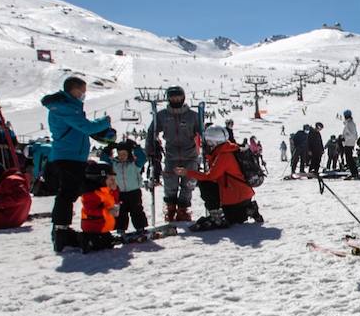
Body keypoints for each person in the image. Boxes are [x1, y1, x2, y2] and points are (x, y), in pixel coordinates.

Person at [42, 76, 114, 253]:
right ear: (73, 90)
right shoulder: (63, 107)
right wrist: (105, 122)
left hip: (74, 156)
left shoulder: (69, 107)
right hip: (68, 157)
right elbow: (86, 127)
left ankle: (64, 229)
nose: (83, 95)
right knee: (67, 193)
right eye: (81, 92)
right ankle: (61, 231)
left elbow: (81, 129)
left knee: (74, 191)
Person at [176, 125, 263, 230]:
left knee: (206, 184)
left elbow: (210, 177)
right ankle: (248, 209)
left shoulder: (224, 155)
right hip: (242, 194)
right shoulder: (230, 148)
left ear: (213, 141)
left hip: (235, 196)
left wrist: (187, 172)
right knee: (234, 214)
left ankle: (218, 217)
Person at [145, 85, 202, 222]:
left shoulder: (193, 116)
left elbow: (202, 133)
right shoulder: (163, 115)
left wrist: (207, 149)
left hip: (190, 155)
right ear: (168, 98)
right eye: (172, 97)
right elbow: (152, 132)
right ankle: (170, 208)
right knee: (170, 184)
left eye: (178, 96)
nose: (176, 99)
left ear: (183, 97)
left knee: (188, 184)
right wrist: (151, 150)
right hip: (171, 155)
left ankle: (183, 210)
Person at [108, 139, 149, 240]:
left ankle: (140, 228)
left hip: (134, 192)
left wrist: (136, 147)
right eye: (119, 154)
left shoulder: (134, 164)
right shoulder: (114, 164)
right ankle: (120, 230)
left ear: (129, 154)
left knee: (137, 210)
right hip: (120, 193)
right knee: (121, 212)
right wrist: (107, 149)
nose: (121, 156)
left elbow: (143, 158)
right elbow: (104, 160)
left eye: (124, 154)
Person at [79, 161, 119, 252]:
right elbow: (89, 210)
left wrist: (115, 190)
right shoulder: (92, 194)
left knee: (108, 243)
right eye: (111, 179)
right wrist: (107, 212)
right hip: (93, 227)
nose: (114, 182)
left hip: (103, 226)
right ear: (100, 179)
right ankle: (82, 239)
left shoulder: (106, 190)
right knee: (99, 245)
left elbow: (115, 200)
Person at [340, 110, 360, 178]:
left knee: (349, 159)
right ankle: (353, 172)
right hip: (348, 143)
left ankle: (354, 173)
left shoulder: (350, 124)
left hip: (349, 143)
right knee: (349, 159)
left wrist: (345, 138)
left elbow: (353, 135)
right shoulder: (348, 123)